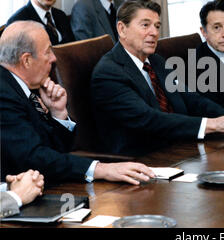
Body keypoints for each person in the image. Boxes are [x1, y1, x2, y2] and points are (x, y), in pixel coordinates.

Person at [90, 0, 224, 155]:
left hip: (180, 145)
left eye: (157, 26)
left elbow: (191, 99)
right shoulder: (109, 73)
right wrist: (215, 124)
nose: (154, 32)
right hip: (141, 158)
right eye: (145, 25)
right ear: (122, 29)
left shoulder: (156, 61)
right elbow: (149, 119)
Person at [0, 21, 156, 185]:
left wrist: (58, 113)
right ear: (26, 60)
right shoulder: (4, 94)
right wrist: (101, 169)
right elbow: (33, 158)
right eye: (47, 52)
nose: (54, 58)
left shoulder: (21, 86)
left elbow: (56, 151)